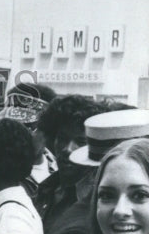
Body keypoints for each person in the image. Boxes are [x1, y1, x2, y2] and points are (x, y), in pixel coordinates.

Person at [34, 95, 106, 227]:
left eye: (80, 142)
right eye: (62, 138)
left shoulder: (99, 199)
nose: (67, 149)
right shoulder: (46, 188)